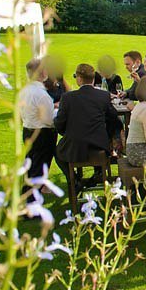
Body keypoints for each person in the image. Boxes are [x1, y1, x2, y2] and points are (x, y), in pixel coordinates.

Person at [54, 64, 119, 189]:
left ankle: (74, 180)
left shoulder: (67, 98)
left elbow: (59, 123)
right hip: (99, 143)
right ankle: (97, 172)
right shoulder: (103, 96)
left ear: (78, 79)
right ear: (93, 79)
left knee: (58, 152)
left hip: (75, 144)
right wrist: (108, 136)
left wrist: (67, 134)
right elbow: (113, 118)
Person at [19, 58, 57, 194]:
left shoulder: (24, 91)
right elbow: (48, 120)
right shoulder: (41, 94)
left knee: (31, 165)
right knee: (39, 167)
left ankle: (32, 194)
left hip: (27, 130)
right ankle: (30, 199)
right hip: (42, 134)